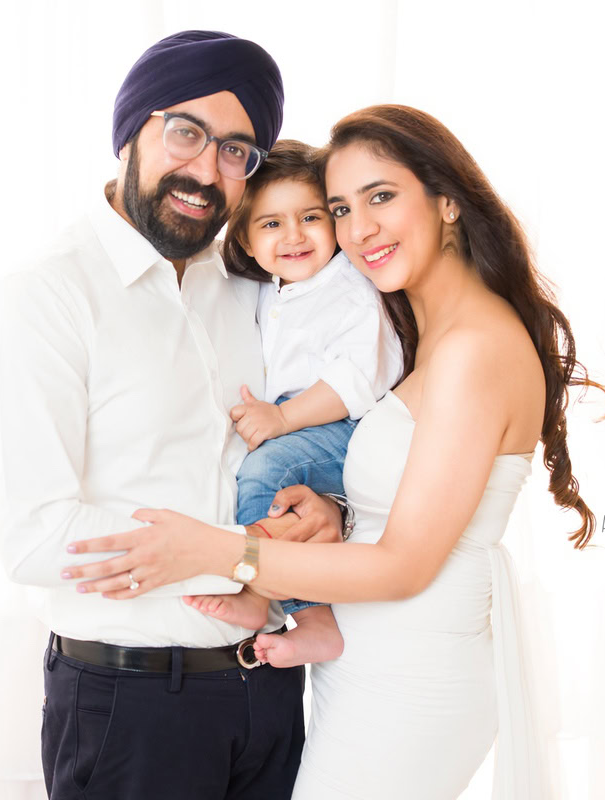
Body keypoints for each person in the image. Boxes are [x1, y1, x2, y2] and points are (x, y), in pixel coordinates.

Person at [62, 104, 605, 799]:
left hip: (413, 678)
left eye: (382, 197)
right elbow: (415, 511)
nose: (360, 230)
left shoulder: (474, 348)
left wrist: (216, 552)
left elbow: (406, 564)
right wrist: (334, 510)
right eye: (344, 208)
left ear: (447, 201)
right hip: (370, 668)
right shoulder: (426, 334)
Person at [0, 30, 343, 800]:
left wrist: (324, 516)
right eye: (186, 132)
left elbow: (293, 441)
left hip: (270, 694)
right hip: (131, 709)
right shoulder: (43, 301)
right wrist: (233, 555)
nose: (206, 171)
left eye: (237, 151)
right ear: (131, 129)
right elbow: (34, 537)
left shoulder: (249, 288)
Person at [182, 139, 404, 669]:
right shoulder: (268, 289)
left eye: (311, 217)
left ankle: (300, 612)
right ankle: (278, 592)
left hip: (343, 423)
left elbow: (355, 380)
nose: (295, 235)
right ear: (246, 238)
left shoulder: (349, 286)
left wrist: (281, 417)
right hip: (305, 421)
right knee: (265, 482)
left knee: (264, 471)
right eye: (271, 224)